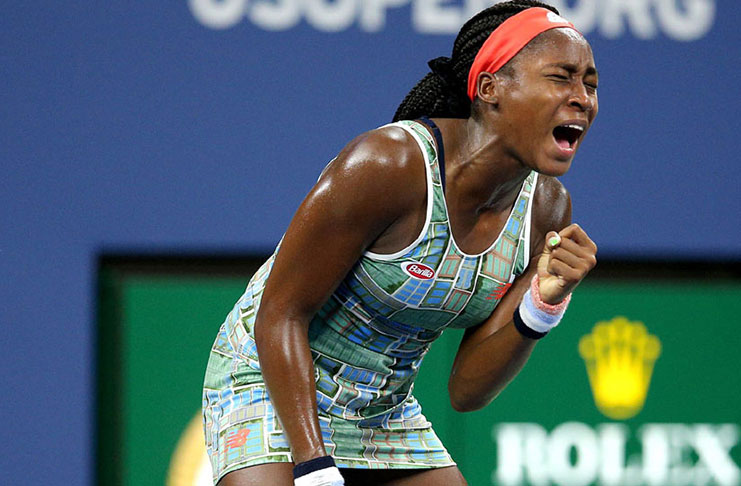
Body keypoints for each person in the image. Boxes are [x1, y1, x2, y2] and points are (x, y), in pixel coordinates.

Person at [202, 1, 599, 484]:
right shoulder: (388, 165)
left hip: (381, 410)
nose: (582, 98)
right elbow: (279, 313)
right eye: (562, 78)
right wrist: (313, 466)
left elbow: (466, 392)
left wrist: (543, 303)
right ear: (490, 87)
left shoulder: (546, 209)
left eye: (590, 84)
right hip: (271, 382)